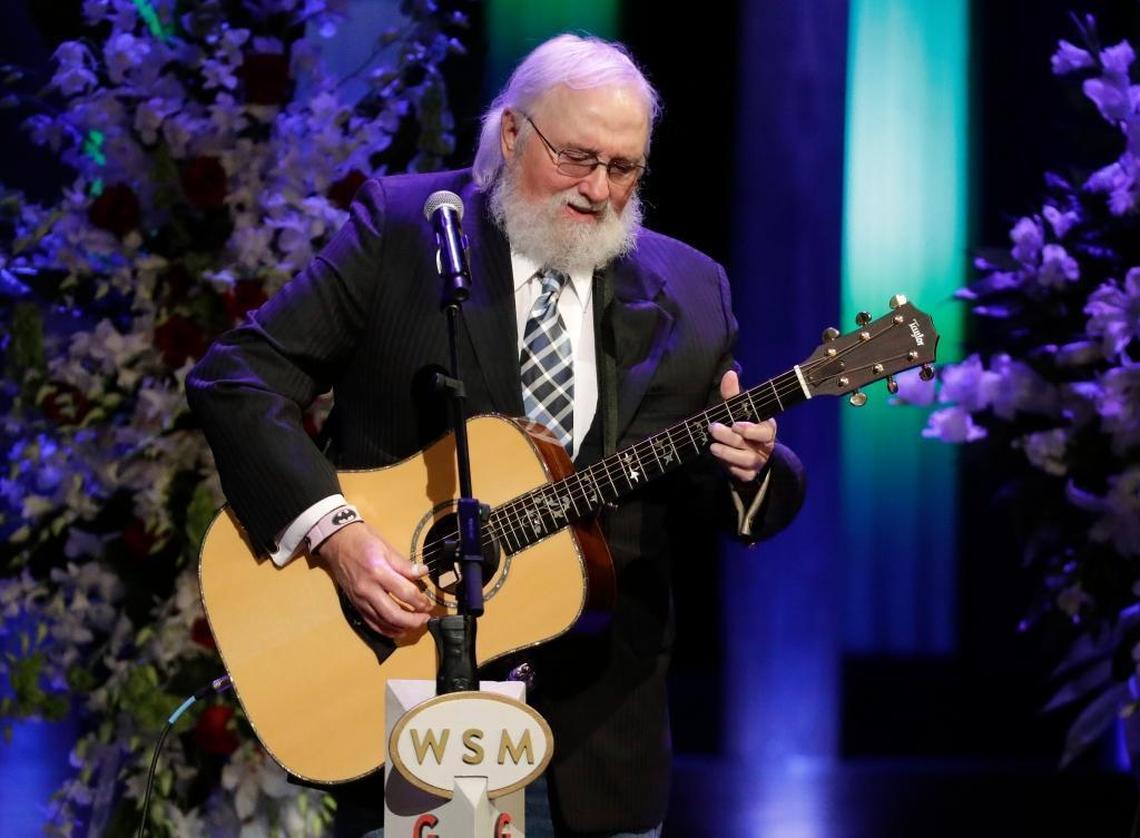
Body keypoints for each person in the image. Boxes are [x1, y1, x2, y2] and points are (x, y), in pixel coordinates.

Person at [187, 33, 805, 837]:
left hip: (599, 732)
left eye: (624, 169)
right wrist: (337, 535)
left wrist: (751, 470)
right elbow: (237, 377)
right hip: (414, 691)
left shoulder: (691, 288)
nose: (598, 191)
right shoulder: (405, 230)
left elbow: (710, 487)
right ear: (512, 134)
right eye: (577, 158)